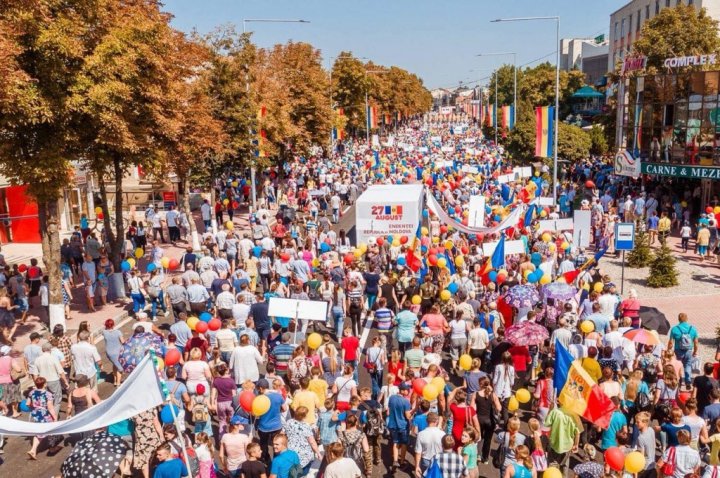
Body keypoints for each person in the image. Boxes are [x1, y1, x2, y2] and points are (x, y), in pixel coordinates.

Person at [26, 376, 61, 459]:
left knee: (39, 432)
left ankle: (33, 450)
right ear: (45, 384)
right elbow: (50, 407)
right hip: (45, 415)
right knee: (51, 430)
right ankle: (52, 448)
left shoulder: (31, 392)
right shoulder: (48, 394)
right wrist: (55, 417)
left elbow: (27, 403)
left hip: (35, 414)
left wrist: (34, 408)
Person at [667, 313, 699, 389]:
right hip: (688, 350)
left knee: (678, 366)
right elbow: (696, 342)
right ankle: (688, 382)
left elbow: (671, 342)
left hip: (678, 350)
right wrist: (695, 351)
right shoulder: (693, 328)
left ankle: (678, 381)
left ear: (679, 319)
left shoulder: (674, 329)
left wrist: (669, 349)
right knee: (688, 365)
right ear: (687, 319)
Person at [387, 382, 413, 470]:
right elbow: (408, 416)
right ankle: (401, 462)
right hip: (403, 426)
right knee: (404, 443)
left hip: (393, 425)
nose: (408, 391)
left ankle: (395, 460)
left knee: (395, 442)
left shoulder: (391, 398)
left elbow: (389, 410)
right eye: (407, 390)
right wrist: (414, 410)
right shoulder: (406, 402)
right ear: (402, 390)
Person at [101, 318, 125, 387]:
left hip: (109, 352)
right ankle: (118, 383)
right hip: (118, 352)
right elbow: (123, 342)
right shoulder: (118, 332)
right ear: (113, 324)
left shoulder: (104, 332)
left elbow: (104, 326)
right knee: (120, 368)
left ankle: (114, 380)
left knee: (115, 365)